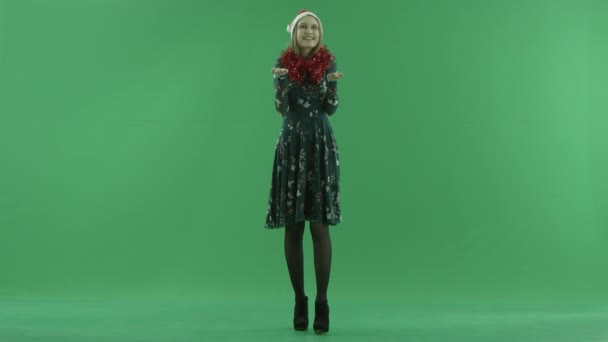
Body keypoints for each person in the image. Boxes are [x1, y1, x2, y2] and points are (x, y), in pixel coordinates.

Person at [264, 9, 344, 334]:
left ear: (319, 33)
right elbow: (282, 109)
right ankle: (299, 299)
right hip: (292, 146)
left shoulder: (329, 63)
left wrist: (332, 86)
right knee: (293, 227)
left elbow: (330, 108)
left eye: (314, 27)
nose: (309, 32)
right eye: (303, 27)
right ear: (294, 33)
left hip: (320, 145)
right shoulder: (283, 63)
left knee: (319, 227)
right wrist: (280, 82)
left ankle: (322, 301)